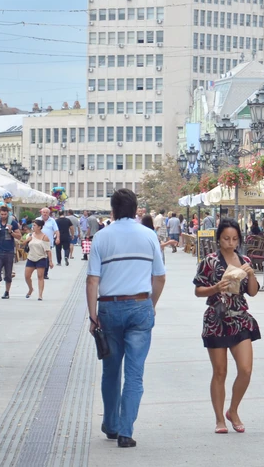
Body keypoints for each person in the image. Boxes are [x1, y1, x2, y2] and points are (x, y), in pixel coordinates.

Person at [86, 189, 166, 449]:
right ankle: (125, 431)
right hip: (140, 305)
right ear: (135, 210)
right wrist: (151, 304)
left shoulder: (101, 236)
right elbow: (160, 276)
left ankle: (110, 424)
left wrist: (92, 315)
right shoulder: (149, 235)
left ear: (112, 210)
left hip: (109, 308)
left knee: (111, 371)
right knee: (134, 374)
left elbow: (92, 280)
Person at [194, 218, 260, 434]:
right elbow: (198, 290)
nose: (230, 243)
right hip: (217, 318)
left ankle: (233, 409)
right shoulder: (209, 261)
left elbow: (252, 291)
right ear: (218, 239)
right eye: (226, 239)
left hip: (240, 318)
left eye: (234, 239)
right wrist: (215, 287)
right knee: (220, 371)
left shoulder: (244, 259)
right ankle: (219, 419)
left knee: (246, 369)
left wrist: (250, 273)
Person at [0, 205, 21, 299]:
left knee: (8, 273)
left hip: (9, 251)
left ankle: (7, 292)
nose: (3, 216)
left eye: (5, 214)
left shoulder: (13, 223)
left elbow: (19, 236)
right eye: (2, 214)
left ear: (8, 214)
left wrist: (11, 232)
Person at [22, 218, 52, 300]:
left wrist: (50, 261)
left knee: (40, 276)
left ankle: (40, 294)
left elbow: (48, 250)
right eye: (33, 225)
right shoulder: (30, 235)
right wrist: (27, 240)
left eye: (34, 225)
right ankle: (30, 289)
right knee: (27, 276)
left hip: (41, 258)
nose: (33, 227)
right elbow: (22, 245)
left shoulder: (44, 237)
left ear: (39, 227)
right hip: (31, 258)